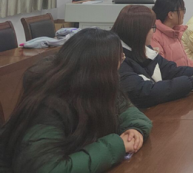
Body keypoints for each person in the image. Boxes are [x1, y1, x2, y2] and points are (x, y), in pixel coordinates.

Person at [0, 28, 152, 172]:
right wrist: (116, 145)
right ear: (102, 70)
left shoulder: (98, 88)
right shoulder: (47, 105)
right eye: (120, 59)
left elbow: (129, 111)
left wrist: (134, 129)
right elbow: (47, 169)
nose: (120, 67)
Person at [112, 5, 193, 109]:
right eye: (152, 28)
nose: (153, 32)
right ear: (138, 31)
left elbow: (170, 70)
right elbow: (145, 93)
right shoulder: (118, 59)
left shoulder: (143, 48)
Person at [151, 0, 193, 67]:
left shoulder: (175, 32)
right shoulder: (154, 36)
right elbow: (162, 67)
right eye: (182, 9)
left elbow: (183, 59)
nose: (184, 13)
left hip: (184, 73)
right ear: (170, 15)